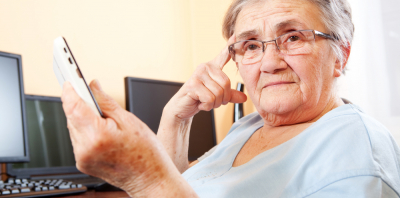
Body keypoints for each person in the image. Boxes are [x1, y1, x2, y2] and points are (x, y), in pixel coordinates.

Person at [61, 0, 400, 197]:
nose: (269, 63)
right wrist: (175, 120)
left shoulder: (356, 157)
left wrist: (145, 179)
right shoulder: (250, 126)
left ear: (340, 56)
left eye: (293, 37)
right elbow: (189, 186)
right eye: (251, 45)